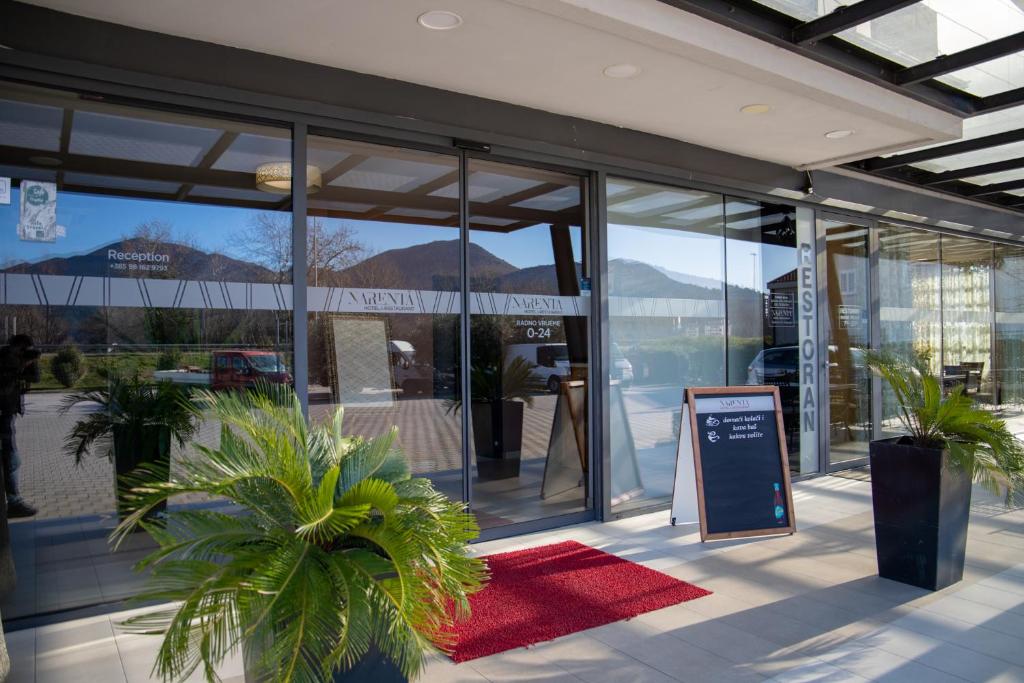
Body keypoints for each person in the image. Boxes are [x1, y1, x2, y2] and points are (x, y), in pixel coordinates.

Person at [0, 334, 40, 518]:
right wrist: (19, 366)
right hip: (3, 411)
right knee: (11, 457)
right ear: (14, 347)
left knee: (11, 457)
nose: (25, 353)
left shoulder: (21, 360)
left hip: (8, 411)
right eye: (22, 350)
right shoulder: (4, 358)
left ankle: (13, 500)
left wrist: (30, 363)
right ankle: (14, 502)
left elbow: (35, 378)